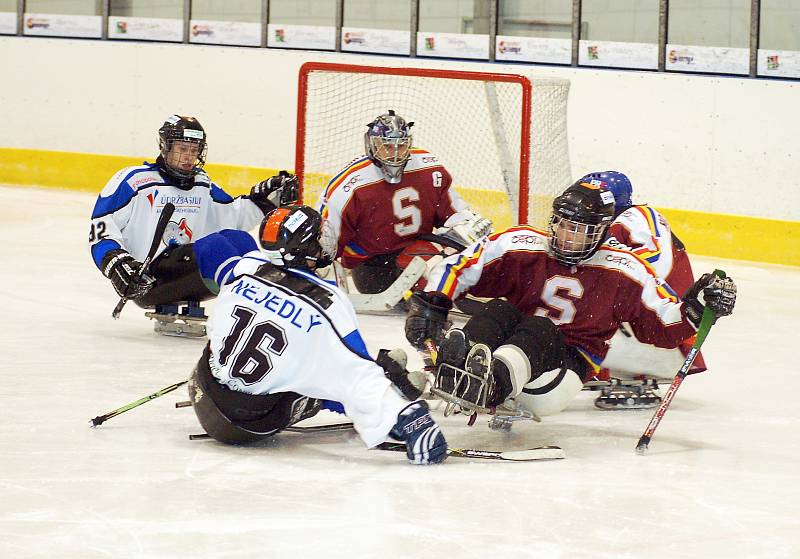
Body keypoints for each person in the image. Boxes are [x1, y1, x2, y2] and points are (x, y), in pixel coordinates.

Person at [403, 180, 736, 419]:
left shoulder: (623, 269)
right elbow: (461, 265)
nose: (566, 235)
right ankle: (449, 370)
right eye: (563, 225)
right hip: (518, 339)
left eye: (579, 229)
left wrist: (697, 306)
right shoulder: (525, 243)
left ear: (602, 231)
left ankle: (490, 386)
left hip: (565, 366)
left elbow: (663, 322)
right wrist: (434, 302)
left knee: (539, 328)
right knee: (499, 311)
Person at [188, 205, 448, 465]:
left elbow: (209, 246)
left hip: (203, 388)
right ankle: (387, 400)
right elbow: (356, 372)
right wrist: (407, 417)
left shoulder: (246, 267)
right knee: (337, 369)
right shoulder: (328, 301)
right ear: (308, 249)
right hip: (250, 423)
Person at [88, 114, 298, 322]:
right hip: (146, 280)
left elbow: (232, 216)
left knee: (240, 240)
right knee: (214, 247)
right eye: (182, 149)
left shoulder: (201, 182)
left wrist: (265, 200)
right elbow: (102, 227)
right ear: (166, 147)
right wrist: (116, 264)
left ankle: (266, 298)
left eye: (194, 150)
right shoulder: (134, 181)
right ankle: (254, 305)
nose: (189, 156)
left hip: (182, 270)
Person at [317, 109, 492, 296]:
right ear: (371, 145)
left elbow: (453, 213)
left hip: (416, 251)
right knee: (428, 257)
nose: (394, 154)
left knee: (459, 251)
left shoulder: (429, 168)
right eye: (386, 146)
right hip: (373, 268)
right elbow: (326, 241)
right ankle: (431, 301)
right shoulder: (351, 185)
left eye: (400, 146)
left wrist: (466, 228)